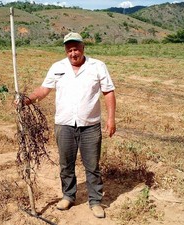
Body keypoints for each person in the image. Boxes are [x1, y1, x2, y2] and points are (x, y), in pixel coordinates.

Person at [24, 32, 116, 218]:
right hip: (64, 124)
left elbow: (108, 92)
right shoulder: (57, 67)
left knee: (92, 165)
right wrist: (28, 99)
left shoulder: (97, 66)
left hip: (90, 125)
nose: (73, 53)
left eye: (76, 49)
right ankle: (68, 195)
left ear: (83, 48)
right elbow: (44, 89)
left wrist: (111, 119)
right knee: (66, 164)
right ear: (66, 51)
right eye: (69, 50)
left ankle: (95, 201)